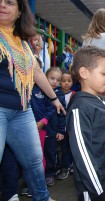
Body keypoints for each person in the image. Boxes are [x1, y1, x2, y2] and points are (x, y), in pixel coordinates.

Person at [0, 0, 65, 200]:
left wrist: (54, 98)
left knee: (34, 161)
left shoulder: (23, 42)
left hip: (22, 110)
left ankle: (42, 198)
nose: (2, 5)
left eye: (9, 2)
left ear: (20, 12)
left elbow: (36, 71)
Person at [67, 46, 105, 201]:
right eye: (104, 73)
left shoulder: (102, 100)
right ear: (84, 73)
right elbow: (82, 152)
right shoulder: (80, 107)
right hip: (94, 185)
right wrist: (97, 188)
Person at [44, 67, 66, 187]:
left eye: (58, 80)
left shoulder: (60, 95)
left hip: (53, 130)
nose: (55, 82)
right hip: (41, 129)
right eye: (52, 78)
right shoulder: (40, 91)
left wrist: (61, 131)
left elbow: (62, 115)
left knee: (51, 152)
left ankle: (50, 174)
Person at [56, 69, 75, 180]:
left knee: (69, 147)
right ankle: (63, 166)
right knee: (61, 148)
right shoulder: (55, 94)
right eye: (63, 81)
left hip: (70, 127)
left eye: (69, 81)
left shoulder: (74, 95)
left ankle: (69, 165)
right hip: (59, 126)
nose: (66, 83)